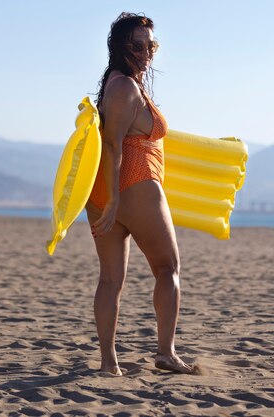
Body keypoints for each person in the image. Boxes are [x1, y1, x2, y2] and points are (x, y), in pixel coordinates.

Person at [85, 12, 194, 376]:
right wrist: (115, 200)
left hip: (104, 192)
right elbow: (114, 147)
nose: (146, 51)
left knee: (110, 280)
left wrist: (109, 199)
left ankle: (108, 364)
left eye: (151, 44)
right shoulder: (125, 88)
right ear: (120, 47)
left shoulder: (122, 84)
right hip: (134, 184)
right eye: (138, 45)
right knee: (168, 269)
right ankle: (165, 352)